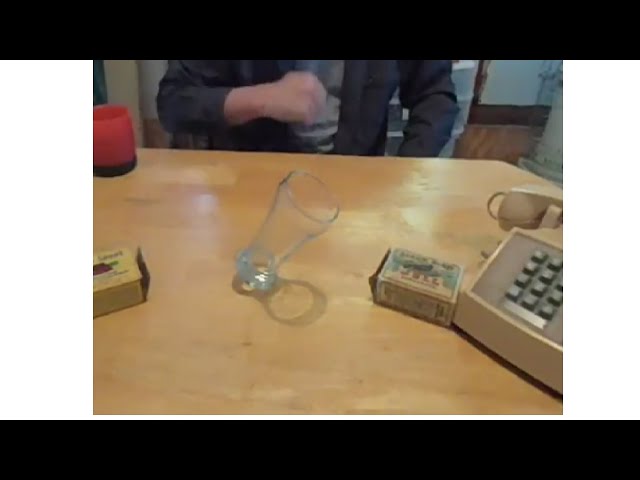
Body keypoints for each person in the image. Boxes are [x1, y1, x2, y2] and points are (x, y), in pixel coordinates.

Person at [156, 60, 459, 157]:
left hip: (355, 185)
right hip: (251, 181)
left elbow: (435, 95)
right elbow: (174, 102)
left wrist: (405, 170)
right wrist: (261, 99)